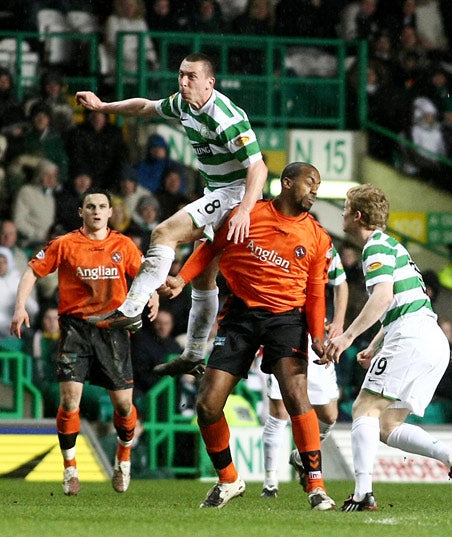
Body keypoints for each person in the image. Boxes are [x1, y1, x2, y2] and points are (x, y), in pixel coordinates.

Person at [75, 52, 268, 377]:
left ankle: (133, 307)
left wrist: (245, 210)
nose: (183, 82)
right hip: (217, 192)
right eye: (181, 74)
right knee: (204, 282)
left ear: (210, 83)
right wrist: (103, 107)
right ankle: (193, 354)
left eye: (191, 77)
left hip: (235, 195)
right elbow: (145, 107)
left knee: (164, 232)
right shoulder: (183, 104)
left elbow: (259, 167)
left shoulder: (226, 117)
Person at [159, 162, 336, 511]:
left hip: (287, 319)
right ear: (286, 183)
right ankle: (228, 479)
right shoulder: (248, 215)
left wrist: (317, 334)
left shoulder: (318, 236)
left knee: (295, 394)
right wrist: (181, 278)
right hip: (240, 314)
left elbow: (316, 291)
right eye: (310, 183)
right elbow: (210, 249)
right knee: (207, 405)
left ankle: (316, 486)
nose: (315, 190)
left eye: (318, 185)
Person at [326, 183, 452, 511]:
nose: (341, 215)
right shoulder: (392, 246)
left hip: (413, 336)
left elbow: (381, 298)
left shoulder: (374, 248)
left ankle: (364, 493)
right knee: (387, 425)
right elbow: (398, 302)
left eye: (344, 209)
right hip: (428, 338)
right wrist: (375, 345)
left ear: (357, 215)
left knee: (364, 408)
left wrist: (348, 337)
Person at [10, 188, 159, 496]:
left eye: (101, 206)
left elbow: (145, 274)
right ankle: (70, 468)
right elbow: (31, 271)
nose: (96, 211)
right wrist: (20, 306)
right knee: (69, 401)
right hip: (76, 329)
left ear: (109, 212)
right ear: (81, 212)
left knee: (123, 404)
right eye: (90, 206)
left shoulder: (122, 244)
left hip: (113, 329)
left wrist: (153, 294)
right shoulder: (65, 244)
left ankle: (124, 458)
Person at [261, 246, 348, 498]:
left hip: (316, 334)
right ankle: (270, 483)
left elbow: (341, 283)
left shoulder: (324, 246)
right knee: (279, 410)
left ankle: (300, 455)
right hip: (281, 329)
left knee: (329, 415)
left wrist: (339, 321)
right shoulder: (274, 244)